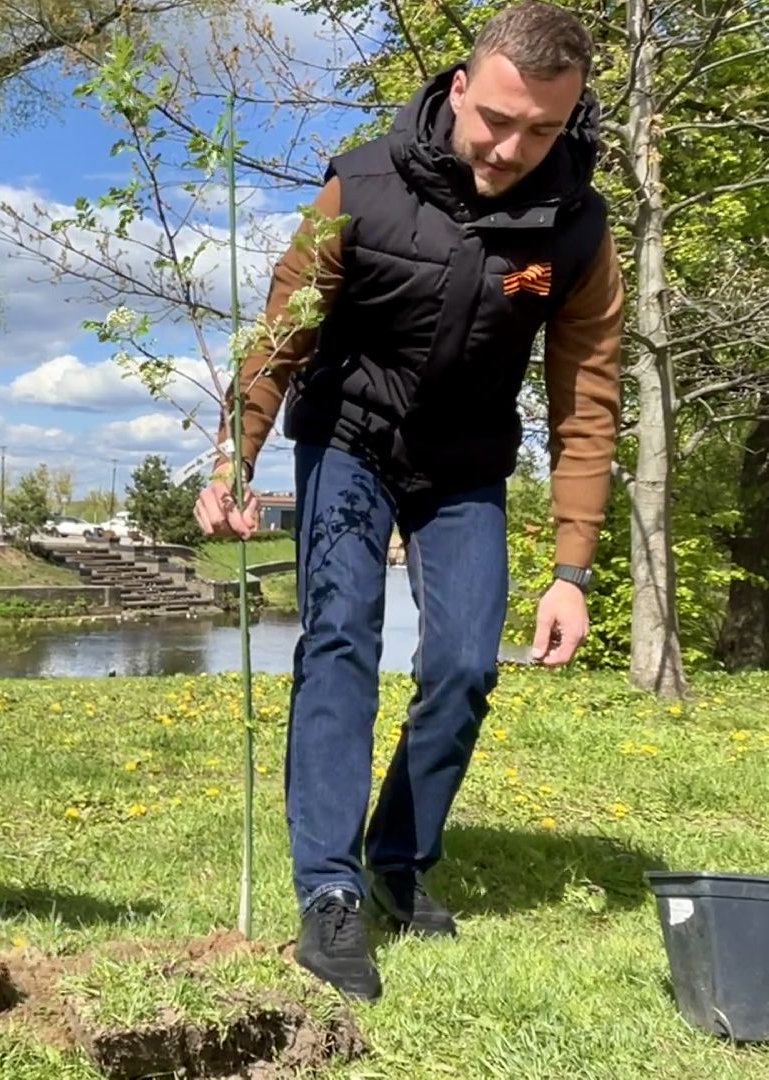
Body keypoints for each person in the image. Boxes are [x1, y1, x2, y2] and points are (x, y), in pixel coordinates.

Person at [196, 0, 623, 1001]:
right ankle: (331, 893)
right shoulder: (365, 182)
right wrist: (233, 460)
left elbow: (588, 398)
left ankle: (398, 856)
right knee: (340, 635)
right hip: (347, 443)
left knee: (468, 663)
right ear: (462, 87)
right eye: (498, 121)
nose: (513, 148)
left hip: (465, 467)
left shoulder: (576, 226)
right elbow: (281, 335)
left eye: (543, 130)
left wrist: (572, 570)